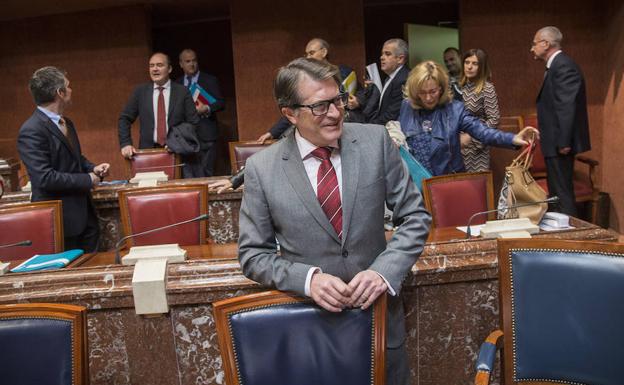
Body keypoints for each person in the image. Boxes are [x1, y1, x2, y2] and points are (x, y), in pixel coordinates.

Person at [238, 58, 431, 385]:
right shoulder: (262, 169)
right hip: (310, 332)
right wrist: (308, 279)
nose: (336, 112)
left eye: (338, 99)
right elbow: (253, 256)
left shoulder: (376, 142)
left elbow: (414, 217)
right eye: (320, 106)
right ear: (290, 114)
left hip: (381, 324)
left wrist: (383, 272)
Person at [18, 66, 110, 252]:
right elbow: (44, 178)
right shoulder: (31, 130)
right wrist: (87, 179)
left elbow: (75, 158)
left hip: (86, 215)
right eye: (67, 87)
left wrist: (93, 168)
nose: (70, 90)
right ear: (59, 93)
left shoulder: (66, 122)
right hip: (60, 221)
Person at [398, 61, 537, 176]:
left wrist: (512, 139)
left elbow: (482, 132)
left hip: (446, 182)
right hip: (415, 184)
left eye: (433, 91)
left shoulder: (454, 109)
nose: (428, 98)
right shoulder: (407, 107)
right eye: (422, 92)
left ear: (441, 88)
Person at [531, 26, 590, 216]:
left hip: (559, 144)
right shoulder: (556, 65)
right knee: (556, 192)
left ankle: (570, 238)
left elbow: (567, 106)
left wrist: (564, 142)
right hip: (554, 142)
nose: (532, 48)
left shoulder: (563, 65)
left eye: (534, 43)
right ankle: (559, 233)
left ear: (545, 44)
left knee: (562, 194)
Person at [257, 38, 355, 144]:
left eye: (312, 53)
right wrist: (273, 132)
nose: (308, 57)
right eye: (319, 105)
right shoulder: (301, 82)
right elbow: (296, 109)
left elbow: (363, 97)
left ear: (324, 52)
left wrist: (357, 102)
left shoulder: (344, 73)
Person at [118, 52, 200, 178]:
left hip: (177, 154)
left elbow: (193, 122)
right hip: (148, 154)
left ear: (170, 69)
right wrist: (126, 143)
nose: (155, 69)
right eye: (151, 66)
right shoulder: (140, 92)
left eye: (160, 65)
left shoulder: (182, 92)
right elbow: (124, 118)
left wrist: (175, 142)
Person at [176, 49, 226, 177]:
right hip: (186, 138)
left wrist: (207, 108)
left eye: (194, 60)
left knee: (207, 174)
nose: (192, 64)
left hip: (207, 135)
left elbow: (220, 103)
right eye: (188, 61)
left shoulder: (210, 80)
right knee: (188, 177)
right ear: (181, 64)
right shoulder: (177, 84)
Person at [348, 38, 410, 125]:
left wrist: (370, 126)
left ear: (400, 59)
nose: (381, 57)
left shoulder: (403, 79)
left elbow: (392, 115)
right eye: (382, 54)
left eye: (387, 54)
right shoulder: (390, 76)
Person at [459, 48, 501, 172]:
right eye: (467, 62)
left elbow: (494, 120)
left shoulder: (487, 88)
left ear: (481, 67)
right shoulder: (459, 87)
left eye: (475, 63)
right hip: (457, 149)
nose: (469, 67)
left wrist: (471, 137)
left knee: (477, 189)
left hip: (477, 151)